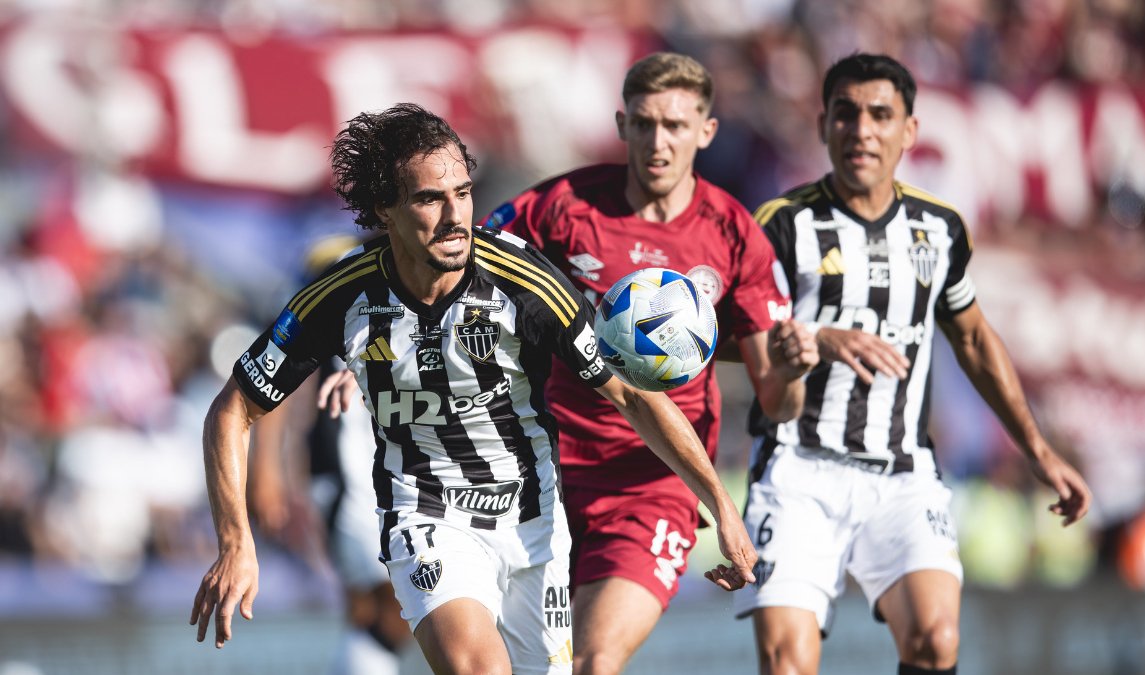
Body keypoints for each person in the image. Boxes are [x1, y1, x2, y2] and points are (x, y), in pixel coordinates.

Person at [188, 102, 758, 674]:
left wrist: (722, 508)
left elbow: (632, 394)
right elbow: (232, 410)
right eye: (429, 199)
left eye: (462, 192)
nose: (454, 216)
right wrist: (235, 540)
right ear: (385, 209)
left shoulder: (527, 283)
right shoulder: (341, 296)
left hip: (533, 524)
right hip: (427, 513)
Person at [735, 53, 1092, 675]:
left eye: (880, 115)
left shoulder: (939, 229)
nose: (861, 130)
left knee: (936, 638)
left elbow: (974, 339)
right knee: (787, 660)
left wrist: (1037, 448)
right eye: (845, 114)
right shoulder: (782, 226)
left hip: (901, 472)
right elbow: (763, 369)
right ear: (824, 126)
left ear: (910, 131)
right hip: (797, 471)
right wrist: (813, 343)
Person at [480, 52, 819, 675]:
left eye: (676, 125)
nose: (658, 142)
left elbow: (777, 401)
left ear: (706, 132)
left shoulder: (733, 233)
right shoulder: (563, 205)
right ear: (622, 125)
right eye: (644, 124)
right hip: (541, 476)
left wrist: (794, 372)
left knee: (595, 659)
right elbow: (460, 269)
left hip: (652, 484)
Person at [247, 235, 413, 675]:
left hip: (374, 471)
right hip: (351, 474)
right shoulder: (341, 277)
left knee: (377, 609)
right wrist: (266, 471)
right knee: (396, 602)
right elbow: (276, 383)